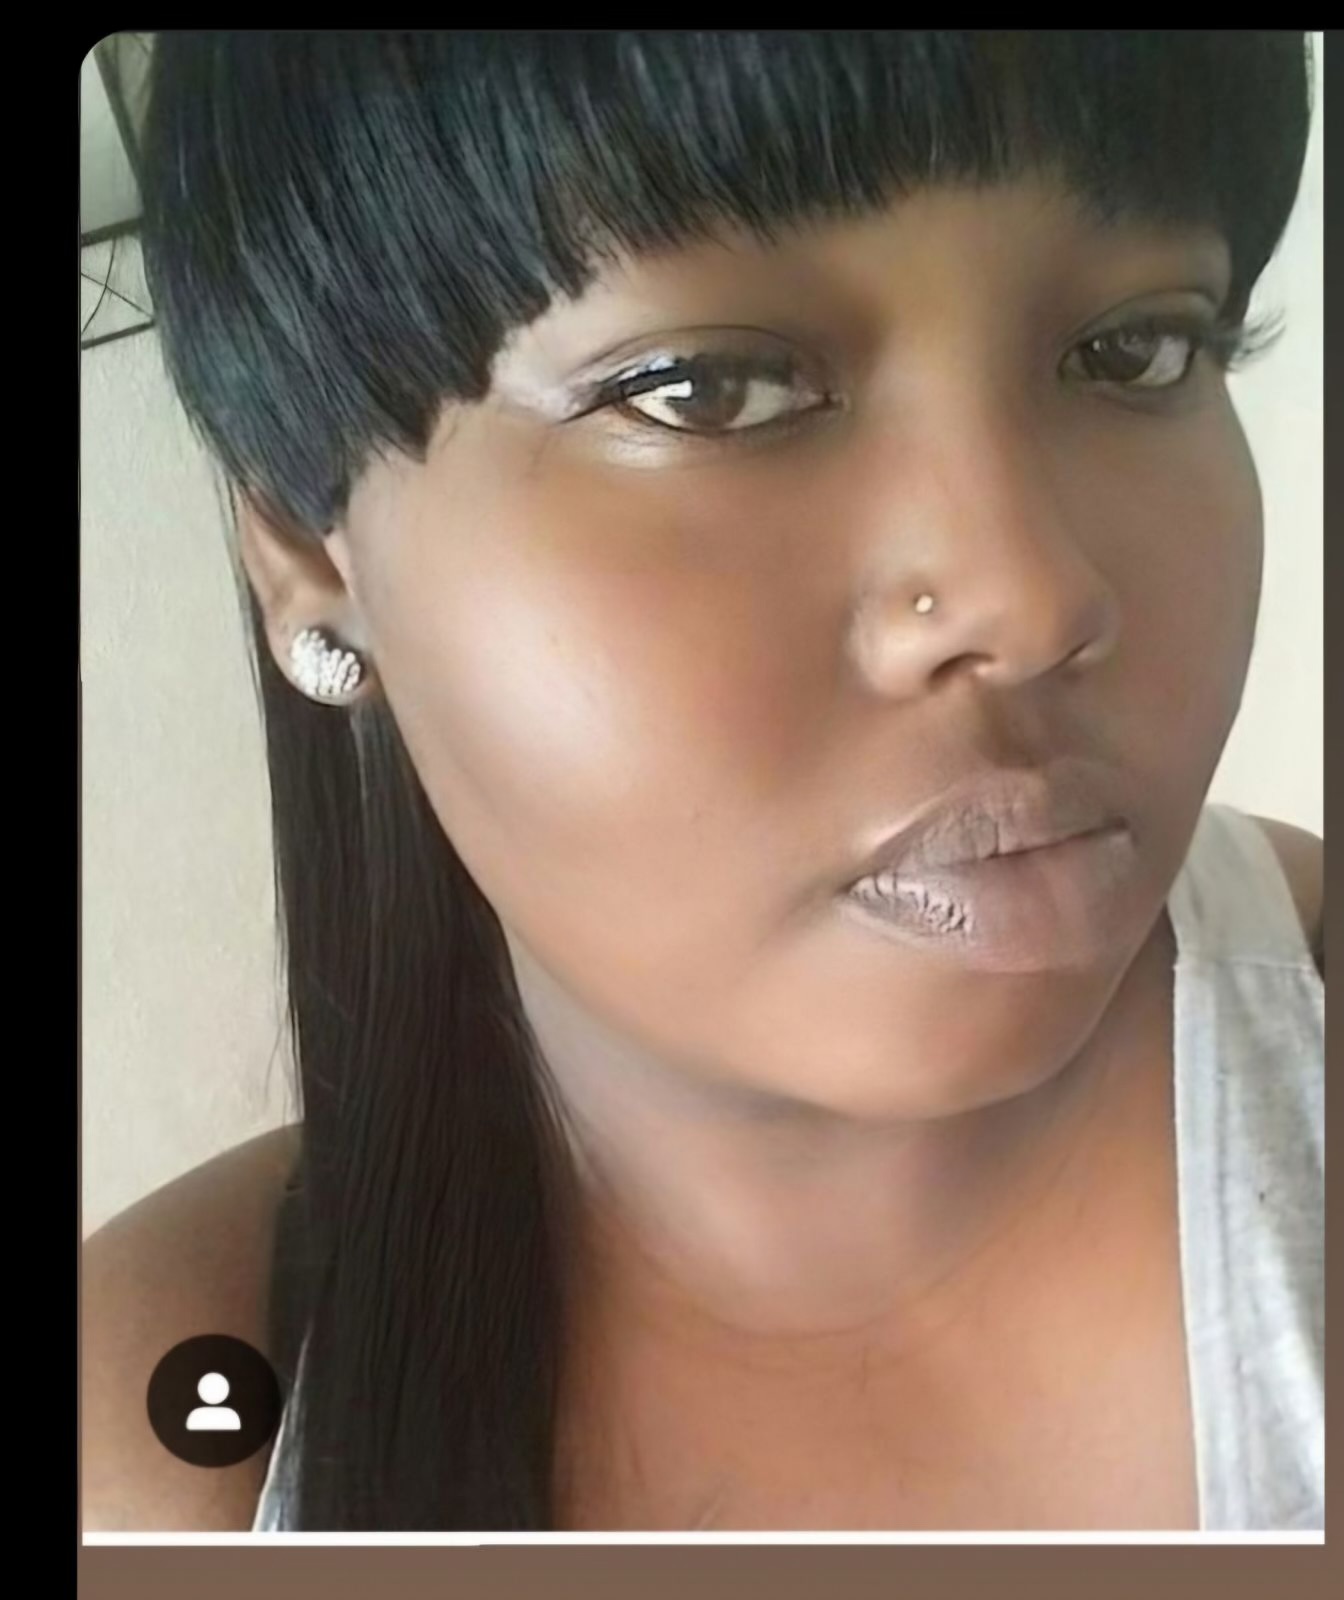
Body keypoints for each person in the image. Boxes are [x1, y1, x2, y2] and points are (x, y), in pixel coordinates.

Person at [81, 31, 1322, 1533]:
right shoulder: (157, 1460)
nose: (1029, 593)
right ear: (305, 547)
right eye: (706, 390)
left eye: (1137, 350)